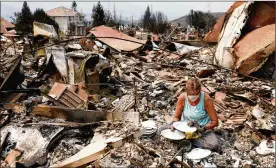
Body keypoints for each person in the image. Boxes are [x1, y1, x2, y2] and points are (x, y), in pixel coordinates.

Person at [160, 78, 219, 150]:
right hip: (184, 127)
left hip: (200, 130)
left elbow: (215, 122)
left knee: (213, 145)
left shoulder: (206, 99)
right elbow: (176, 117)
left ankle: (188, 140)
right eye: (190, 94)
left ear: (199, 91)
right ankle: (187, 139)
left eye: (196, 94)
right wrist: (174, 124)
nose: (193, 96)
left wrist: (203, 128)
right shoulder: (182, 98)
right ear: (186, 91)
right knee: (161, 130)